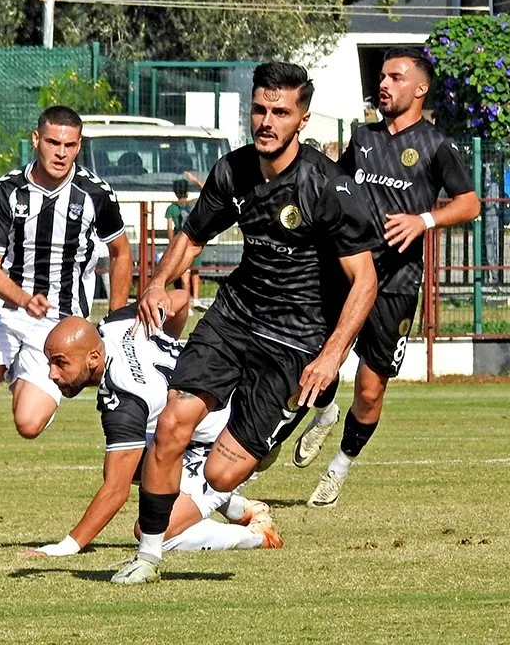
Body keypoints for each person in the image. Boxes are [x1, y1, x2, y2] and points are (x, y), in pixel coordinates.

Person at [112, 62, 380, 585]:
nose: (266, 120)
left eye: (280, 112)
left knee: (221, 473)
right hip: (234, 316)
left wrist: (330, 357)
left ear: (301, 120)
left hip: (295, 340)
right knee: (171, 422)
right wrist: (157, 283)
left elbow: (364, 282)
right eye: (259, 109)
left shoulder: (328, 187)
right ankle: (147, 557)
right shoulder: (232, 171)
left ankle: (276, 429)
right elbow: (192, 235)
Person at [293, 48, 480, 508]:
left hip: (397, 283)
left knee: (372, 389)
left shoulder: (437, 145)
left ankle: (339, 468)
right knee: (318, 359)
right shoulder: (363, 138)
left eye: (396, 77)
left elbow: (471, 203)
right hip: (347, 272)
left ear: (419, 88)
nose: (384, 84)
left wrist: (425, 221)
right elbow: (337, 188)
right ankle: (325, 412)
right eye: (382, 76)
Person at [0, 105, 133, 495]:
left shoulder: (96, 195)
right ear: (36, 140)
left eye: (70, 145)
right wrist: (23, 299)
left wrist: (114, 319)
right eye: (53, 142)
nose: (61, 153)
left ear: (79, 146)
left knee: (28, 424)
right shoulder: (7, 190)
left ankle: (26, 373)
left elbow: (121, 253)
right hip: (3, 312)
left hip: (60, 327)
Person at [22, 302, 282, 558]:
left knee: (153, 531)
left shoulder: (124, 399)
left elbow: (115, 491)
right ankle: (239, 508)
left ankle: (257, 536)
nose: (52, 374)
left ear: (94, 357)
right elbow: (179, 300)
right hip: (207, 419)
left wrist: (66, 547)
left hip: (228, 442)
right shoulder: (118, 323)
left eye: (60, 363)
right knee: (132, 464)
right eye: (50, 362)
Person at [164, 178, 204, 310]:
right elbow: (206, 191)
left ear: (175, 192)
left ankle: (186, 304)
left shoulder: (172, 207)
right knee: (195, 273)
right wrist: (195, 180)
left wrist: (172, 243)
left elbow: (169, 227)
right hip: (194, 241)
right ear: (187, 191)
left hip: (180, 243)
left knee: (184, 274)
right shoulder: (193, 203)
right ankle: (196, 300)